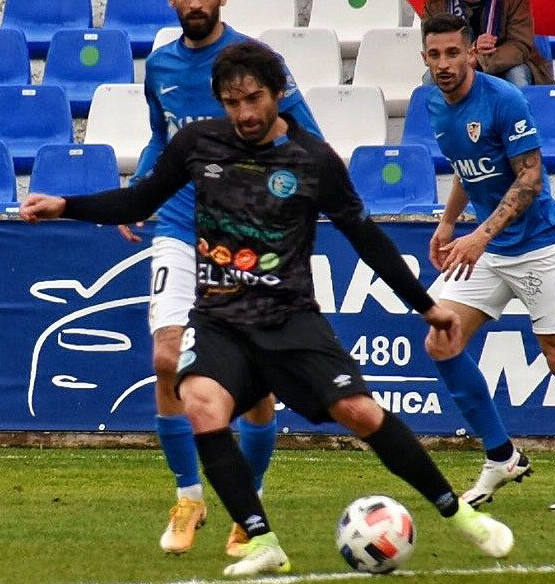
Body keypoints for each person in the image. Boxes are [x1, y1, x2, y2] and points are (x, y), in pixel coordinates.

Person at [21, 41, 515, 577]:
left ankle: (460, 514)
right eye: (233, 103)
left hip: (289, 321)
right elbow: (140, 201)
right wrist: (65, 205)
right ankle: (262, 540)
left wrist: (426, 307)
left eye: (254, 98)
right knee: (202, 407)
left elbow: (367, 239)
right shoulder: (197, 144)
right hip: (220, 320)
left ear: (278, 94)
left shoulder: (313, 160)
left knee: (360, 413)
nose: (245, 113)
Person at [119, 0, 324, 556]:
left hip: (245, 235)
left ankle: (246, 507)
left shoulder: (255, 63)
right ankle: (188, 497)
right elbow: (162, 138)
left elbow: (307, 137)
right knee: (167, 358)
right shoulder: (160, 65)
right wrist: (141, 188)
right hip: (179, 226)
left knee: (255, 379)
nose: (194, 3)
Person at [419, 14, 555, 511]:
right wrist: (448, 223)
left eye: (453, 53)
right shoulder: (433, 102)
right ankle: (502, 456)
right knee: (441, 336)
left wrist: (478, 235)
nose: (444, 64)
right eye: (435, 55)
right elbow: (467, 166)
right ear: (425, 58)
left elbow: (530, 178)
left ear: (471, 52)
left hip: (541, 244)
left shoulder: (503, 99)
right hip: (491, 248)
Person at [421, 0, 554, 87]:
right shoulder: (436, 3)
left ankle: (521, 121)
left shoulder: (515, 2)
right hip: (455, 61)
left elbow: (520, 46)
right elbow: (431, 46)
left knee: (516, 75)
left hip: (504, 63)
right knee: (429, 79)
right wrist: (469, 52)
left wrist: (479, 59)